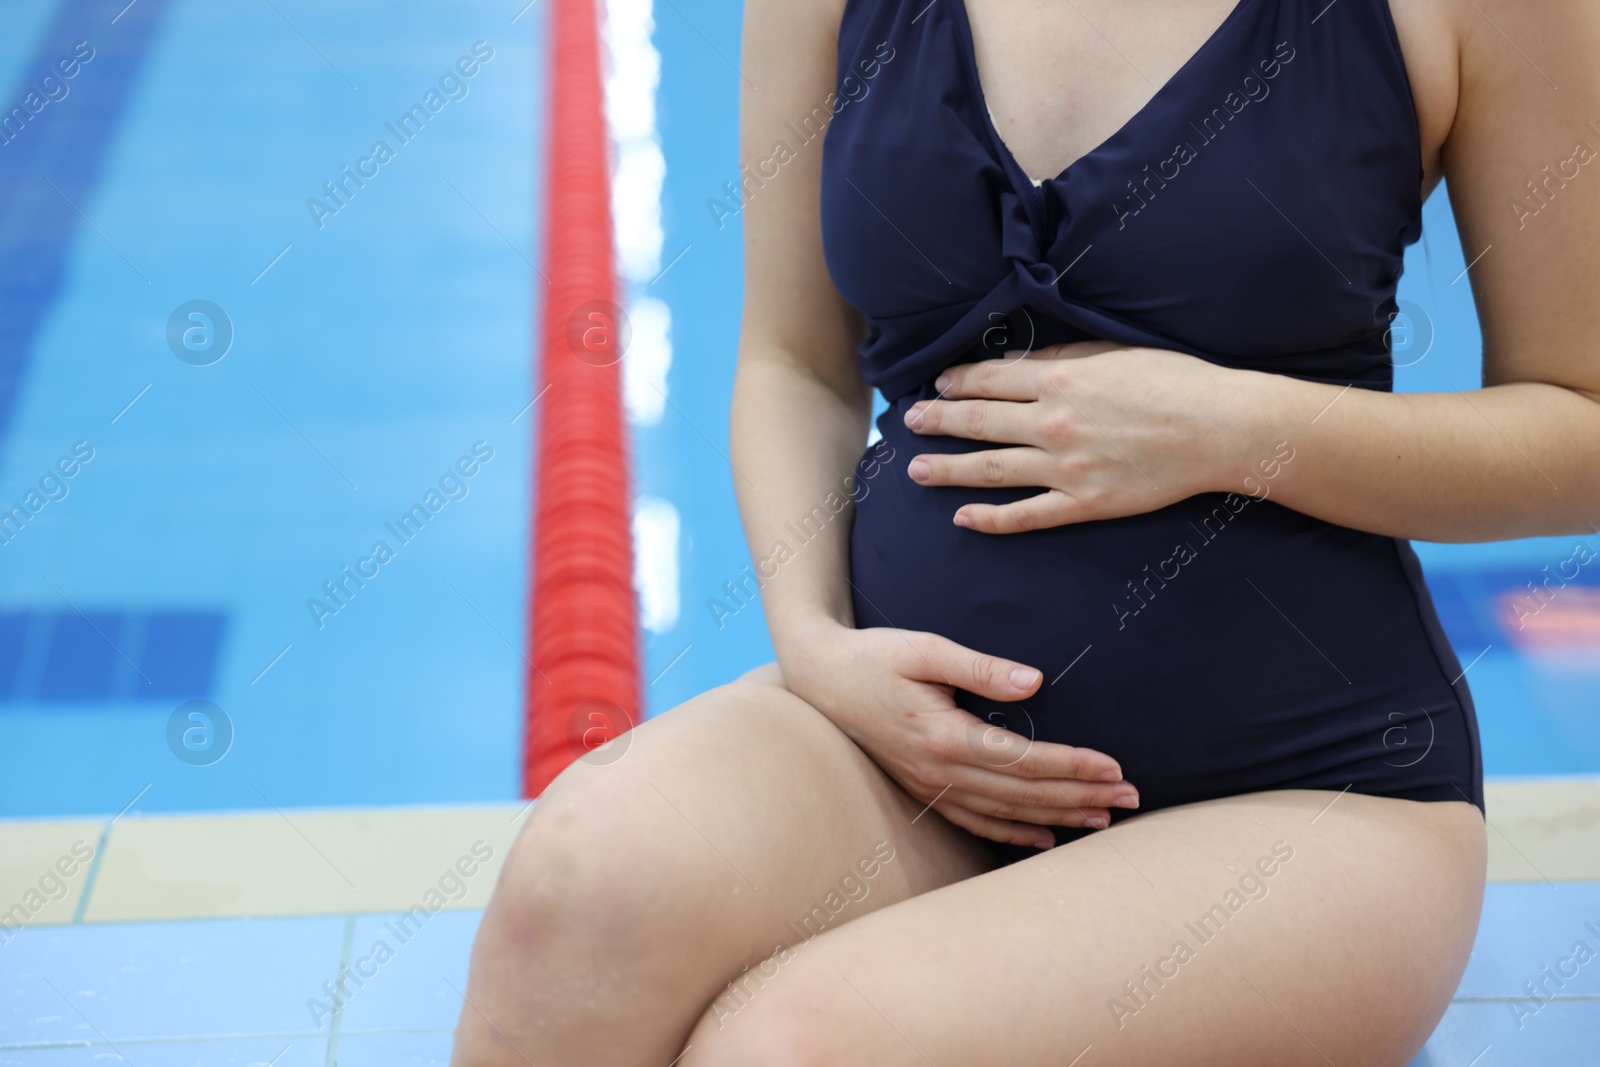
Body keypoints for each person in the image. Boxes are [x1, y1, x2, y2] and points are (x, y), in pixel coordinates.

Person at [452, 0, 1600, 1062]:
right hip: (899, 755)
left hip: (1301, 792)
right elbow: (792, 359)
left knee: (792, 1045)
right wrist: (813, 640)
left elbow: (1582, 428)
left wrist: (1238, 426)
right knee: (575, 890)